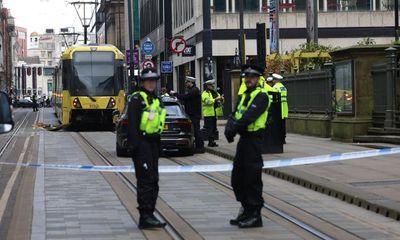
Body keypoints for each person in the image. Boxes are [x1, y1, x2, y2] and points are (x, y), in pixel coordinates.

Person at [225, 64, 270, 228]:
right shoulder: (244, 95)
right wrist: (229, 129)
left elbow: (248, 117)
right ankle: (245, 208)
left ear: (258, 78)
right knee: (237, 177)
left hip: (254, 140)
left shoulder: (262, 96)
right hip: (244, 140)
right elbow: (235, 113)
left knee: (252, 178)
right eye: (247, 76)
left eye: (252, 77)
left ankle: (255, 214)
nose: (249, 79)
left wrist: (233, 129)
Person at [127, 68, 167, 229]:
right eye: (148, 80)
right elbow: (132, 125)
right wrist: (135, 148)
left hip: (153, 145)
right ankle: (145, 216)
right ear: (142, 82)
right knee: (145, 181)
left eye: (153, 80)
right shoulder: (137, 99)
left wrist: (159, 148)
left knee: (154, 181)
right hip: (142, 145)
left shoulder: (157, 100)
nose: (151, 83)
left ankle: (150, 212)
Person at [171, 76, 205, 153]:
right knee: (194, 130)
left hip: (194, 115)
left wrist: (176, 93)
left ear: (191, 82)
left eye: (187, 82)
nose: (186, 84)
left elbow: (185, 97)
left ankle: (200, 147)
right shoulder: (191, 90)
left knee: (196, 131)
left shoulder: (194, 90)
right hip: (191, 114)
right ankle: (198, 146)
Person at [202, 80, 223, 147]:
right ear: (208, 86)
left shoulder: (215, 93)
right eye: (211, 85)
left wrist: (222, 99)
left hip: (214, 113)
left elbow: (220, 102)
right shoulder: (205, 93)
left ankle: (213, 141)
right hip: (208, 114)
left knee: (214, 128)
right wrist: (215, 100)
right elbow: (207, 102)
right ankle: (210, 142)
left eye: (213, 85)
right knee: (209, 129)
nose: (213, 86)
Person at [271, 73, 288, 144]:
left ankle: (279, 139)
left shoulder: (275, 88)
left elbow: (272, 98)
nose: (272, 81)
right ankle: (283, 138)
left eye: (273, 80)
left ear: (275, 80)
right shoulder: (283, 87)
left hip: (277, 108)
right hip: (284, 109)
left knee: (277, 124)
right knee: (283, 124)